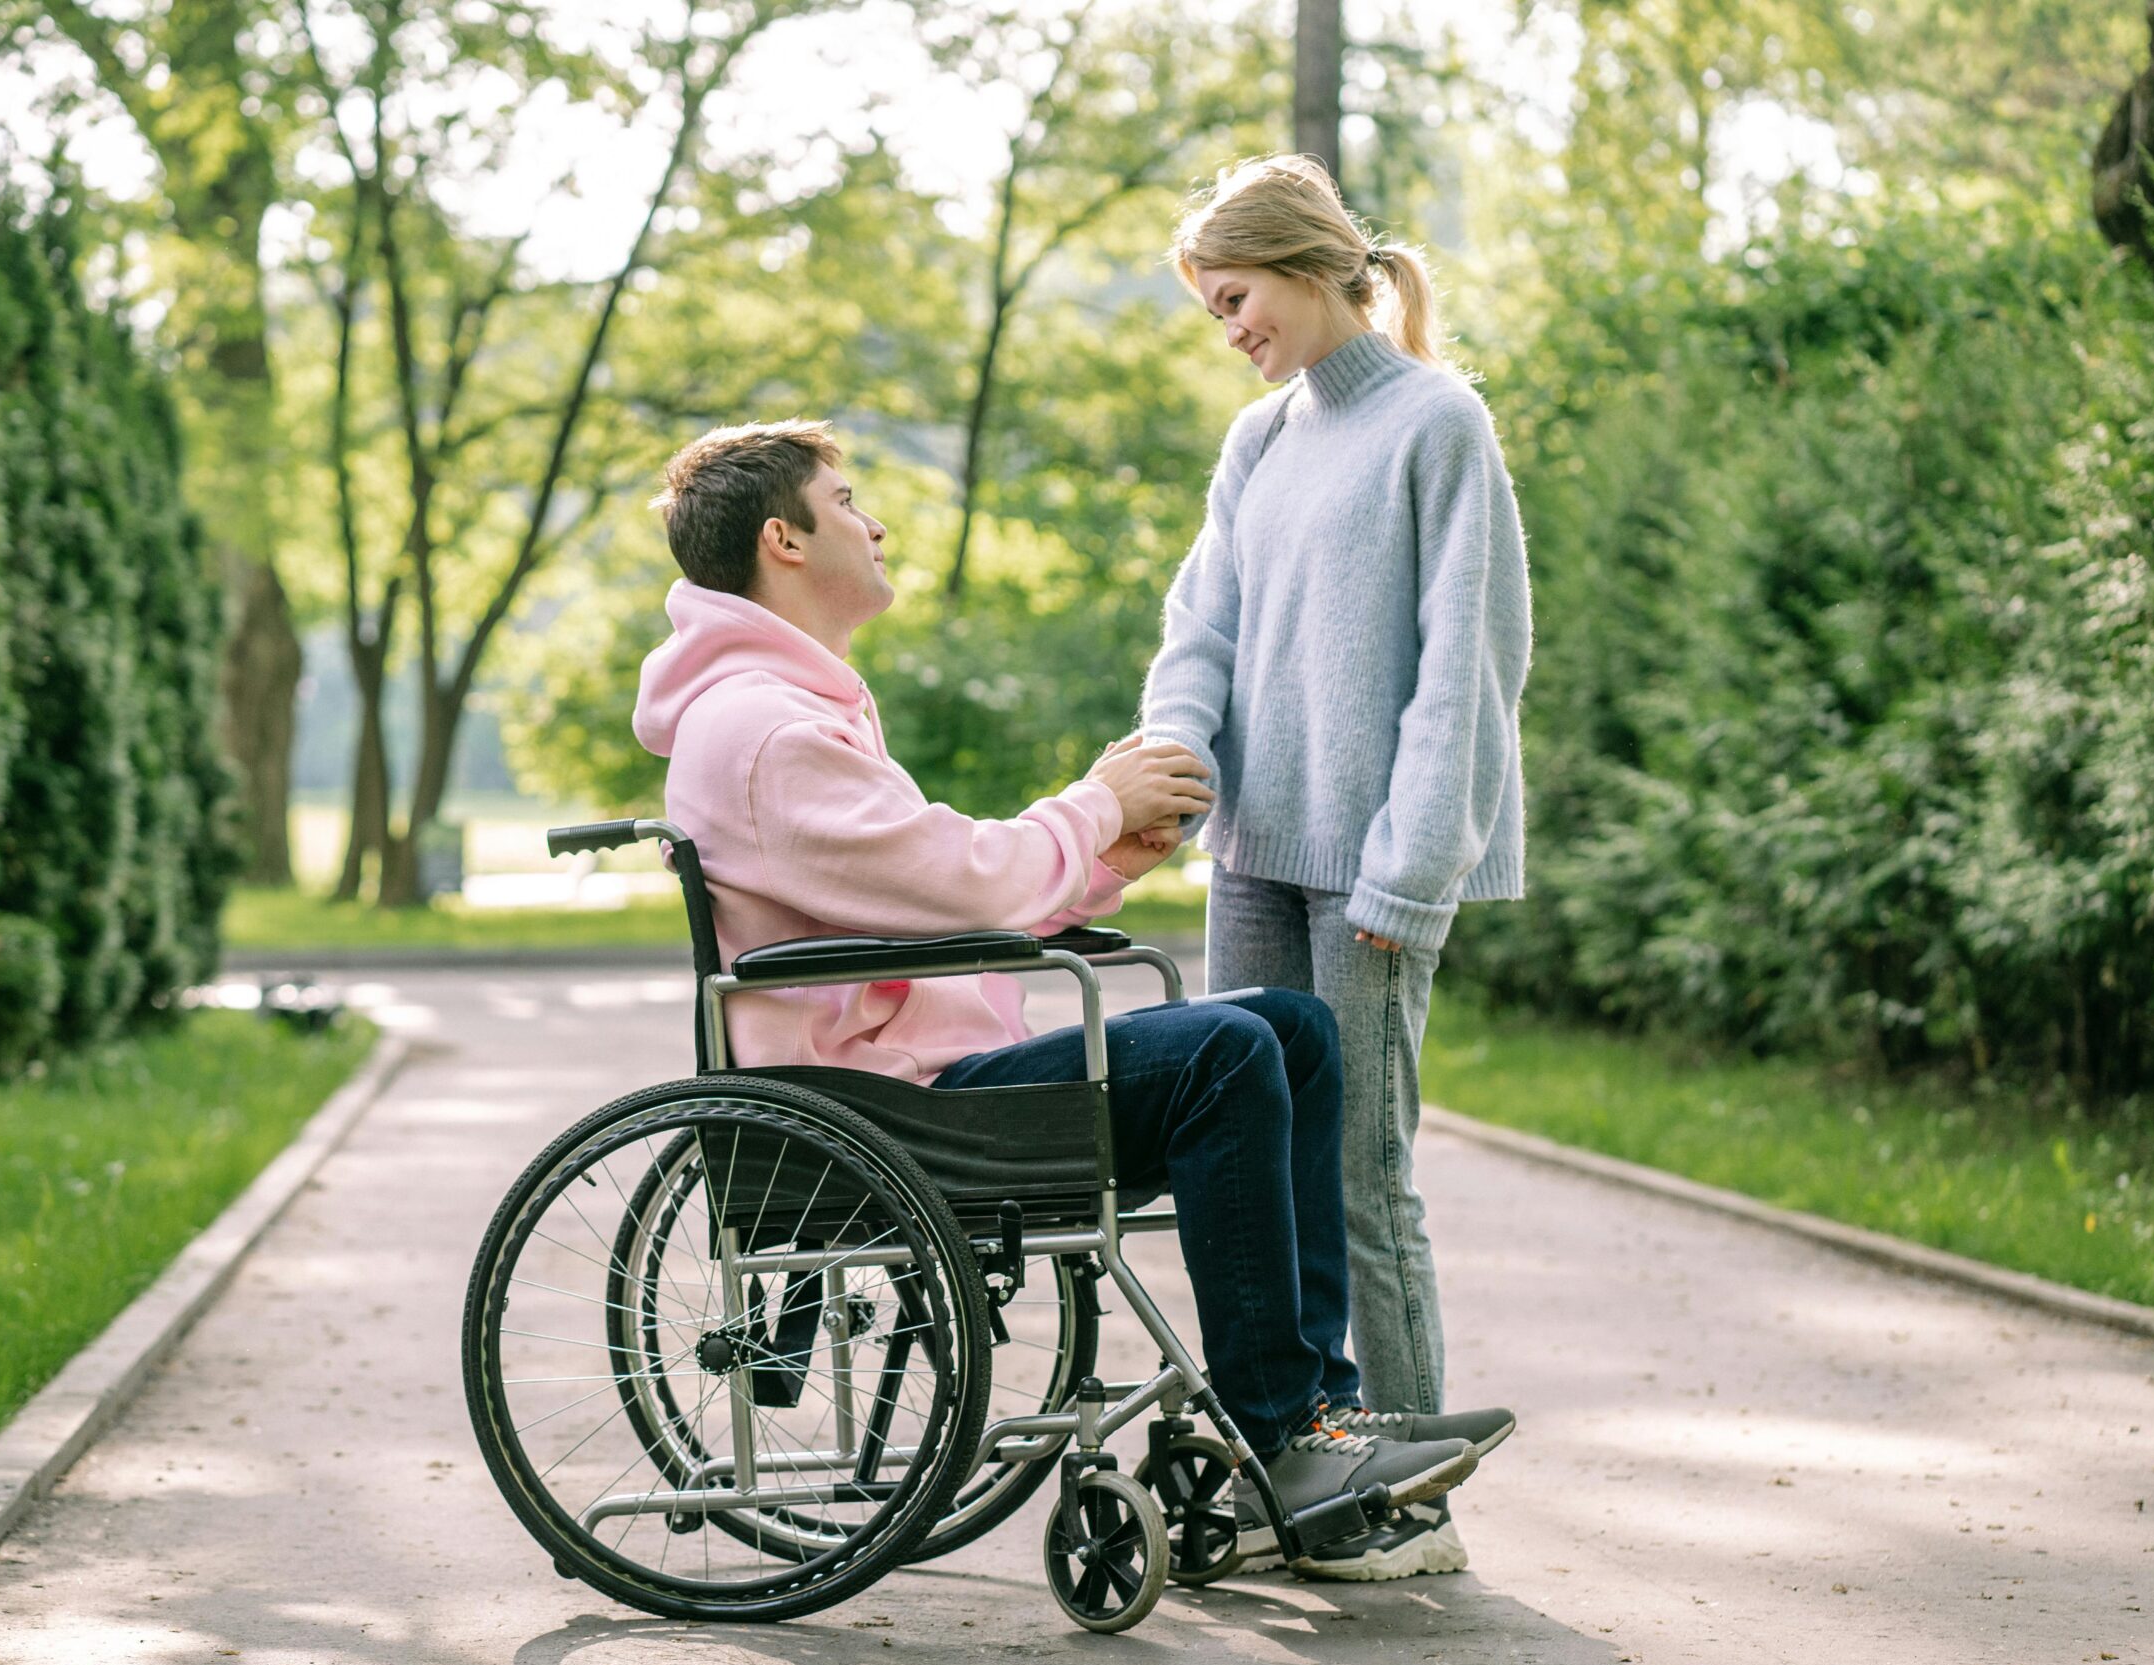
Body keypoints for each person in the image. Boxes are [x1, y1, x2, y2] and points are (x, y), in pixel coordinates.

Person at [630, 417, 1504, 1552]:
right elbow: (958, 873)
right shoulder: (760, 727)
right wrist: (1096, 800)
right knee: (1227, 1053)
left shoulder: (792, 709)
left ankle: (1316, 1420)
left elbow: (915, 901)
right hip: (886, 1105)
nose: (876, 521)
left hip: (906, 1078)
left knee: (1288, 1027)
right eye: (848, 501)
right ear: (783, 541)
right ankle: (1286, 1434)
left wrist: (1099, 868)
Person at [1137, 155, 1534, 1580]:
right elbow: (1204, 632)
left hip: (1372, 878)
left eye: (1234, 298)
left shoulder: (1438, 421)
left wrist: (1411, 875)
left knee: (1364, 1179)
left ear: (1306, 266)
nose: (1228, 328)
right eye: (1213, 310)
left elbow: (1467, 673)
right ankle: (1294, 1463)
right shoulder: (1258, 442)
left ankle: (1412, 1499)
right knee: (1254, 1180)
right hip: (1251, 855)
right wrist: (1173, 759)